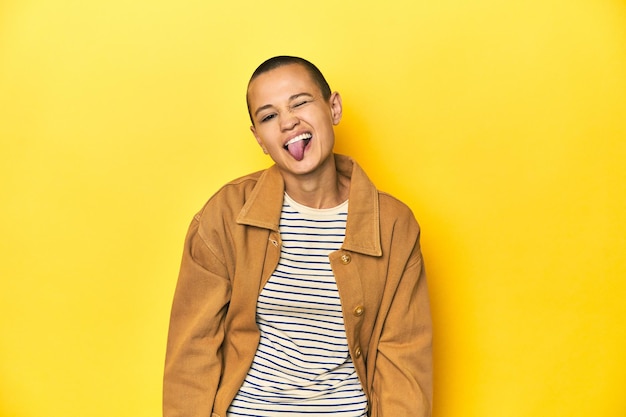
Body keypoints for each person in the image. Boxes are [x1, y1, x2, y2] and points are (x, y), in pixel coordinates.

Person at [163, 56, 433, 417]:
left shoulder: (394, 225)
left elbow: (404, 360)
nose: (288, 122)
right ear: (259, 138)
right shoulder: (225, 215)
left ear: (333, 108)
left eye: (300, 102)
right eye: (269, 116)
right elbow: (191, 352)